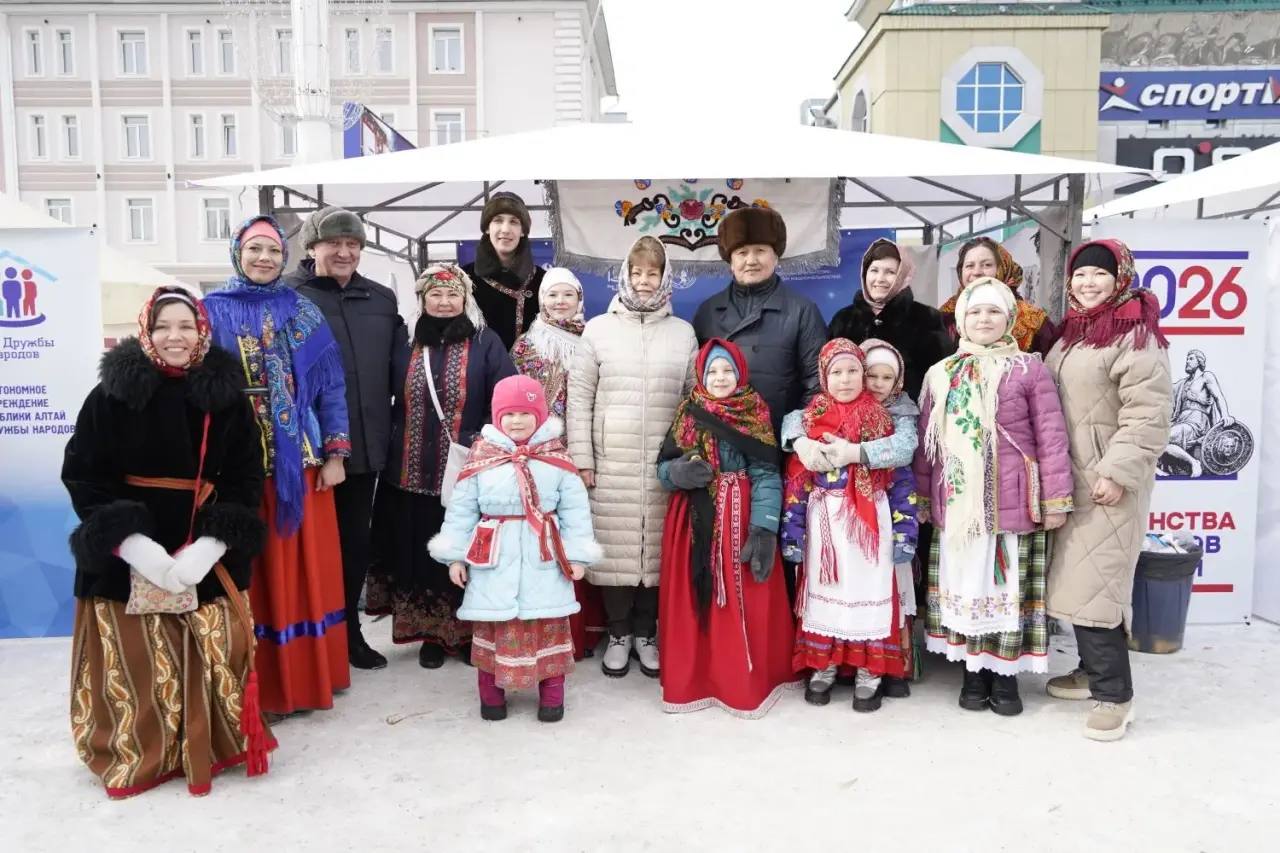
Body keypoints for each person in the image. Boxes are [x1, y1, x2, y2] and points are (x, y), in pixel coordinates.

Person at [63, 286, 273, 798]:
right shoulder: (109, 396)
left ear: (202, 331)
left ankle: (211, 742)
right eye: (163, 327)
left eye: (185, 326)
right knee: (137, 664)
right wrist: (133, 543)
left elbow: (248, 475)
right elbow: (84, 475)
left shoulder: (227, 398)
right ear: (146, 331)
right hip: (128, 552)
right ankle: (141, 752)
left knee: (212, 649)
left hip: (203, 544)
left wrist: (212, 544)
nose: (174, 337)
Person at [204, 216, 352, 716]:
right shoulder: (209, 313)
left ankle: (308, 680)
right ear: (237, 254)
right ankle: (259, 685)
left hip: (302, 464)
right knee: (255, 570)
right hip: (237, 467)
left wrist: (335, 453)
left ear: (286, 257)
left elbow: (331, 387)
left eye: (273, 250)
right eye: (255, 249)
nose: (265, 258)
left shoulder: (304, 311)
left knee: (302, 570)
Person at [914, 277, 1074, 716]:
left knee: (1005, 588)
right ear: (962, 320)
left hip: (1012, 505)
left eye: (993, 311)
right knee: (966, 585)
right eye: (975, 312)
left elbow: (1051, 437)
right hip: (959, 508)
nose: (983, 320)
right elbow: (929, 446)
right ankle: (972, 673)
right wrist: (925, 497)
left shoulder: (1029, 369)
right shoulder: (940, 374)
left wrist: (1056, 498)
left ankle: (1005, 679)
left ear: (1009, 318)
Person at [1044, 239, 1171, 741]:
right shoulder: (1075, 333)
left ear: (1120, 278)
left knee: (1097, 586)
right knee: (1079, 581)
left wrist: (1118, 472)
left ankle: (1114, 696)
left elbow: (1149, 414)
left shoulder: (1135, 334)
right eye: (1079, 276)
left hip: (1106, 481)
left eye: (1098, 275)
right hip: (1073, 477)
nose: (1087, 284)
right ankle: (1088, 671)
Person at [365, 263, 516, 669]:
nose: (445, 302)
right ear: (422, 299)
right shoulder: (404, 340)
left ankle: (468, 633)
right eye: (436, 294)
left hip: (467, 472)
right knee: (420, 553)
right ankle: (431, 635)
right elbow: (380, 392)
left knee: (465, 553)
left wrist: (488, 447)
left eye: (452, 295)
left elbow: (504, 400)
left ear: (465, 299)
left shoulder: (486, 342)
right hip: (409, 473)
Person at [429, 376, 601, 722]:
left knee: (546, 623)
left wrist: (579, 555)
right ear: (497, 416)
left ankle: (552, 697)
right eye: (509, 414)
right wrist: (455, 556)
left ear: (539, 415)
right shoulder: (483, 456)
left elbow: (575, 511)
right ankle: (491, 698)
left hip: (545, 557)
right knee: (495, 625)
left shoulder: (555, 456)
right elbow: (462, 510)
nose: (517, 421)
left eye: (525, 413)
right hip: (494, 557)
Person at [567, 235, 698, 679]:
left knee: (656, 555)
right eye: (638, 272)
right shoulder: (599, 329)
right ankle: (619, 633)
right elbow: (578, 398)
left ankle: (647, 632)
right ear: (625, 274)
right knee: (615, 553)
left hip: (663, 465)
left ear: (665, 278)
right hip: (611, 461)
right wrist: (583, 458)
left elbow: (692, 400)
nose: (644, 281)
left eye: (653, 273)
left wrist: (686, 458)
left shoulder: (682, 334)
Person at [287, 205, 409, 671]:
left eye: (352, 244)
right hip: (305, 449)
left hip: (366, 445)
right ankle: (307, 638)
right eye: (333, 243)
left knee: (355, 542)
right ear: (313, 246)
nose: (343, 252)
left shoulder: (380, 299)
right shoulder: (289, 297)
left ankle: (348, 632)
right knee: (310, 545)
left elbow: (401, 369)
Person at [656, 339, 796, 717]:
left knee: (741, 594)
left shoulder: (756, 411)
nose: (720, 378)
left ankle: (741, 679)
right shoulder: (687, 412)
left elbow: (767, 472)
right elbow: (662, 470)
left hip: (740, 515)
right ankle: (697, 679)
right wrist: (679, 473)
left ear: (740, 373)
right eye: (712, 371)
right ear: (701, 376)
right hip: (694, 522)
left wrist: (764, 528)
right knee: (696, 602)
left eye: (727, 370)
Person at [784, 339, 917, 712]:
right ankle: (823, 665)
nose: (846, 380)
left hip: (869, 524)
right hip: (825, 520)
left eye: (853, 371)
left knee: (867, 595)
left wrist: (906, 530)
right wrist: (791, 533)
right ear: (824, 377)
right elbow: (796, 482)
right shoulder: (810, 418)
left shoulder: (883, 420)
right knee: (828, 592)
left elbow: (901, 479)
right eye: (836, 372)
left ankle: (868, 670)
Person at [510, 266, 605, 657]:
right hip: (541, 454)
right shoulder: (526, 346)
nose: (560, 302)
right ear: (541, 299)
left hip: (584, 450)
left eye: (568, 295)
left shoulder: (595, 339)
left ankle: (589, 630)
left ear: (579, 299)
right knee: (545, 536)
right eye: (552, 295)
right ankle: (548, 631)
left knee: (581, 530)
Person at [692, 206, 828, 438]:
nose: (751, 260)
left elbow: (817, 384)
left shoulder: (802, 310)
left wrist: (795, 437)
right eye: (742, 252)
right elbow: (693, 383)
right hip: (720, 442)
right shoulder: (708, 311)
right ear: (730, 261)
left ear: (775, 256)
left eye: (760, 250)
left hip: (778, 442)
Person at [826, 239, 953, 405]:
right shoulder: (843, 320)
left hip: (911, 417)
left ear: (902, 276)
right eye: (874, 270)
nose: (880, 278)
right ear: (865, 274)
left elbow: (942, 377)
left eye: (890, 272)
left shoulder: (927, 318)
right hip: (852, 421)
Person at [939, 236, 1057, 356]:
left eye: (987, 265)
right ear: (961, 271)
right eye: (970, 266)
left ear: (1003, 268)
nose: (977, 272)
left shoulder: (1034, 322)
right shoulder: (945, 316)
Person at [462, 191, 545, 350]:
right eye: (498, 220)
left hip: (530, 372)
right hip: (481, 371)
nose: (505, 229)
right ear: (487, 228)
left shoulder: (542, 280)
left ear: (523, 231)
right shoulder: (464, 278)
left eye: (514, 222)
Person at [1162, 349, 1233, 478]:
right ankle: (1164, 471)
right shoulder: (1183, 383)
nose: (1187, 362)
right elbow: (1165, 388)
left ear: (1199, 361)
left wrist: (1225, 415)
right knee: (1155, 440)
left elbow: (1218, 397)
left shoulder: (1206, 377)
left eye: (1191, 359)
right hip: (1181, 420)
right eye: (1187, 359)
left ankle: (1194, 463)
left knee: (1162, 439)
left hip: (1196, 422)